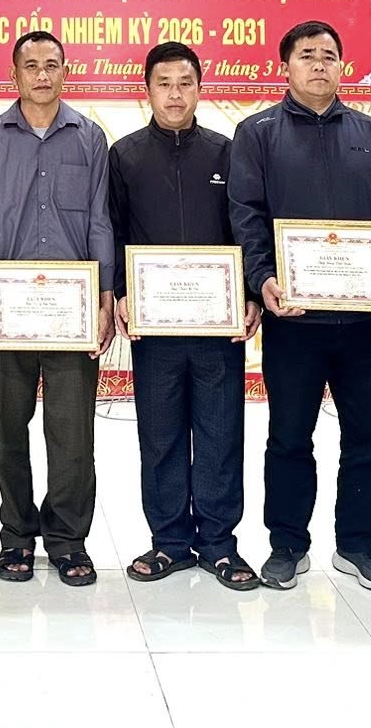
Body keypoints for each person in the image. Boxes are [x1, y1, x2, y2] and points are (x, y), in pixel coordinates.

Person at [230, 21, 371, 595]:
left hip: (365, 322)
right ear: (284, 66)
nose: (318, 64)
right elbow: (246, 214)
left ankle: (359, 546)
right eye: (306, 55)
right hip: (294, 321)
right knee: (289, 436)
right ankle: (287, 545)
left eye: (329, 55)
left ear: (342, 67)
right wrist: (261, 279)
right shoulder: (257, 133)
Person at [0, 30, 116, 587]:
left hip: (73, 312)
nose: (42, 75)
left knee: (72, 434)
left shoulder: (90, 138)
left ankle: (68, 540)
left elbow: (100, 221)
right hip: (8, 312)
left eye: (52, 64)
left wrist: (105, 299)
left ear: (65, 72)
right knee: (9, 430)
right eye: (31, 66)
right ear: (15, 75)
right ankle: (17, 536)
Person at [112, 41, 260, 591]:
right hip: (154, 326)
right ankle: (170, 542)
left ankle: (220, 544)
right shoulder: (124, 156)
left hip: (218, 325)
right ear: (147, 90)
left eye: (185, 84)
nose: (175, 95)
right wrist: (120, 292)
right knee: (161, 435)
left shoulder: (228, 153)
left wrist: (250, 292)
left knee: (221, 432)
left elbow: (247, 227)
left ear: (200, 88)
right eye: (164, 84)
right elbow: (113, 231)